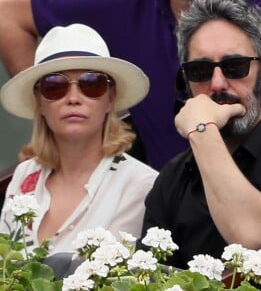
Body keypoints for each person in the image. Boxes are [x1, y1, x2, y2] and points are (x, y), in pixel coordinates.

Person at [0, 0, 261, 171]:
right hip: (161, 209)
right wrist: (59, 128)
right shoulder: (120, 2)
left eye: (235, 66)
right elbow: (8, 14)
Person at [137, 0, 261, 270]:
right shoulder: (174, 178)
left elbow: (252, 235)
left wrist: (202, 130)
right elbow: (147, 279)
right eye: (199, 70)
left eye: (235, 66)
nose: (217, 84)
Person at [0, 23, 158, 255]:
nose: (74, 98)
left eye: (91, 84)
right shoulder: (23, 176)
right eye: (54, 86)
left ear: (110, 98)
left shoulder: (141, 184)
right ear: (40, 101)